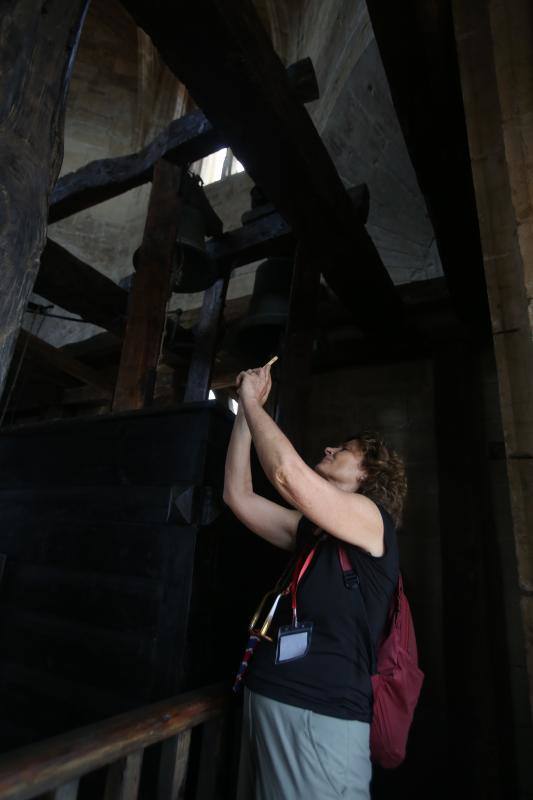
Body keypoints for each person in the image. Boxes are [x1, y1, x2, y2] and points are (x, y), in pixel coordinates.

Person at [223, 362, 407, 800]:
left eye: (344, 449)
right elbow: (238, 496)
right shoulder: (315, 533)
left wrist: (250, 400)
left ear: (367, 475)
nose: (329, 449)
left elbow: (286, 474)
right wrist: (249, 416)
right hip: (269, 698)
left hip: (321, 716)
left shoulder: (372, 521)